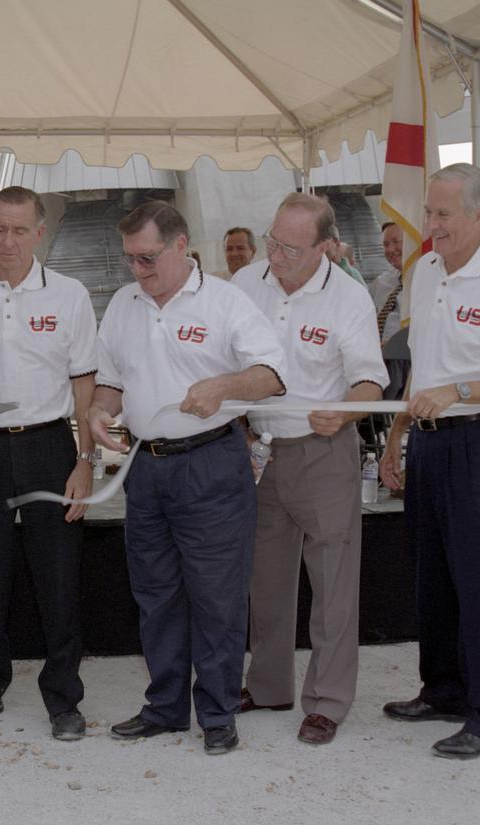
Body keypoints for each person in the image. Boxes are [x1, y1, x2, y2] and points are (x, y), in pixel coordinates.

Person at [88, 200, 286, 756]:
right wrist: (100, 412)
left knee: (218, 597)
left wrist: (223, 386)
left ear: (180, 246)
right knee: (155, 594)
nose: (137, 270)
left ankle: (218, 713)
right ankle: (165, 707)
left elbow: (271, 375)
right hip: (145, 467)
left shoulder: (226, 301)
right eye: (129, 259)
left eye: (147, 258)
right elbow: (109, 381)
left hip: (211, 464)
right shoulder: (124, 305)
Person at [380, 163, 480, 760]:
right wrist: (398, 435)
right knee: (434, 580)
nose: (431, 224)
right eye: (429, 211)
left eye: (443, 214)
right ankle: (443, 691)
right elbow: (424, 371)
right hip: (428, 442)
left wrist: (461, 392)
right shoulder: (423, 271)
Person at [0, 186, 97, 741]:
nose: (9, 240)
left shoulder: (70, 294)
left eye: (20, 230)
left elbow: (84, 384)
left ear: (39, 232)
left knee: (57, 577)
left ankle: (63, 699)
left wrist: (84, 460)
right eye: (0, 228)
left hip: (49, 447)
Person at [231, 193, 388, 745]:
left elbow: (371, 379)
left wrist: (345, 409)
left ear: (324, 246)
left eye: (292, 248)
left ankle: (327, 701)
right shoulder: (246, 284)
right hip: (259, 450)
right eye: (272, 240)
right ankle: (268, 684)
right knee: (265, 580)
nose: (277, 255)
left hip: (323, 453)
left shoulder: (348, 297)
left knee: (333, 582)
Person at [370, 222, 409, 399]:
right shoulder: (381, 283)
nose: (391, 249)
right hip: (376, 355)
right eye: (386, 245)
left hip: (407, 360)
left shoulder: (429, 282)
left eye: (396, 242)